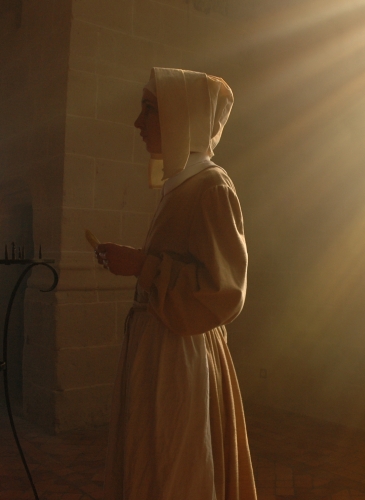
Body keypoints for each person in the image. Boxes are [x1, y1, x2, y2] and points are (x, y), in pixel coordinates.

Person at [97, 68, 257, 500]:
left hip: (181, 358)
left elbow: (224, 293)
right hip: (158, 352)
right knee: (152, 464)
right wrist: (137, 262)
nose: (138, 122)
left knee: (178, 469)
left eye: (149, 109)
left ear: (180, 115)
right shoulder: (179, 185)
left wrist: (142, 266)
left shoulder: (211, 186)